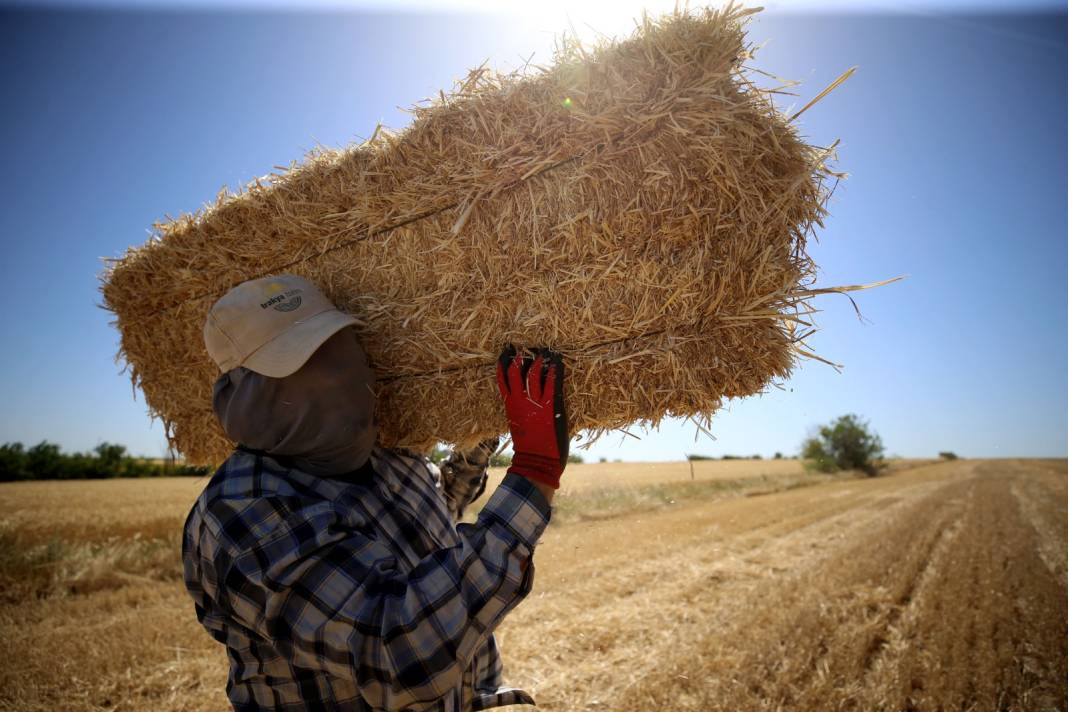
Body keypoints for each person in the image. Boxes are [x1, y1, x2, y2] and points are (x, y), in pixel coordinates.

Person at [183, 274, 569, 711]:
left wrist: (483, 432)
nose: (337, 373)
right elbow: (398, 651)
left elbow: (438, 510)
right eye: (305, 361)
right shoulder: (242, 514)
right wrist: (535, 469)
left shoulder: (387, 459)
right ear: (249, 394)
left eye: (340, 350)